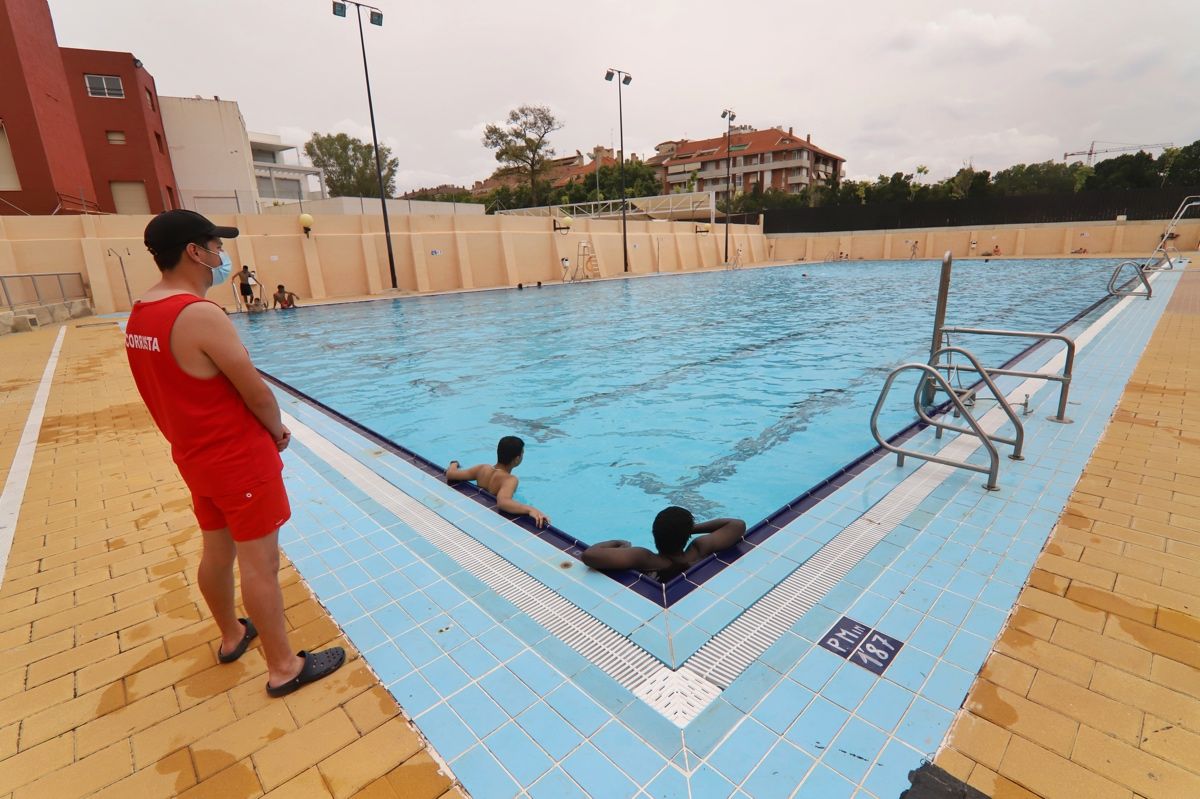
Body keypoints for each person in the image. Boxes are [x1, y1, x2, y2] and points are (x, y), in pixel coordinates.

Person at [126, 209, 344, 697]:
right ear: (193, 252)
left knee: (216, 550)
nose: (221, 256)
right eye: (215, 246)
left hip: (195, 457)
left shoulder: (140, 314)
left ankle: (231, 636)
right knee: (259, 564)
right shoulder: (198, 314)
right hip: (237, 458)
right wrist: (277, 430)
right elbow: (256, 391)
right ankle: (284, 667)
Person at [581, 506, 747, 581]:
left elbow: (589, 555)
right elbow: (736, 525)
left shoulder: (645, 559)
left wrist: (618, 542)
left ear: (654, 534)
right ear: (688, 535)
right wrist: (688, 529)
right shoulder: (698, 549)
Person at [446, 436, 549, 527]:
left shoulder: (482, 468)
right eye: (522, 454)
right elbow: (503, 502)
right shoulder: (510, 479)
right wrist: (530, 509)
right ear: (517, 459)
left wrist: (454, 464)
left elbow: (451, 475)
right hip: (492, 520)